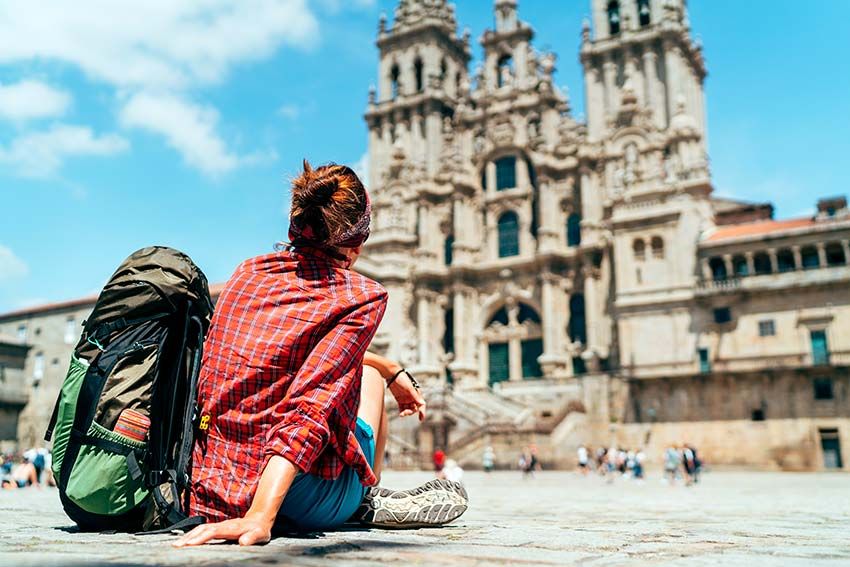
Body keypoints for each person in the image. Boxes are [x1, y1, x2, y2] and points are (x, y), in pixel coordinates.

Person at [176, 161, 467, 548]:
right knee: (370, 379)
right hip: (289, 498)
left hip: (209, 481)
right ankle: (363, 497)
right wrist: (260, 516)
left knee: (372, 370)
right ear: (357, 243)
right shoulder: (361, 296)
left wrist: (388, 362)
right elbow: (308, 408)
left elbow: (279, 360)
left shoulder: (247, 272)